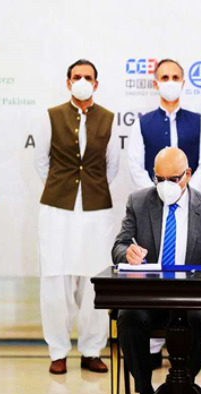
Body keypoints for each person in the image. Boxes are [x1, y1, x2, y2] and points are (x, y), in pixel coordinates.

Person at [111, 147, 201, 394]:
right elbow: (119, 246)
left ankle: (183, 387)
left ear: (188, 174)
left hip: (189, 299)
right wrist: (127, 253)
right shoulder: (139, 202)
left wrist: (196, 278)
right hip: (149, 298)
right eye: (159, 179)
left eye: (173, 179)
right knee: (128, 317)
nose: (166, 186)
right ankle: (145, 393)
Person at [127, 58, 201, 368]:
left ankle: (184, 351)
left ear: (183, 82)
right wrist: (159, 194)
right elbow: (136, 165)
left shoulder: (197, 122)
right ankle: (151, 350)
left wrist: (183, 194)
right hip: (155, 207)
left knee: (185, 272)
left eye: (175, 76)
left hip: (187, 206)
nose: (170, 81)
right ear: (155, 82)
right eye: (164, 77)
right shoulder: (143, 123)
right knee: (154, 272)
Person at [34, 59, 119, 375]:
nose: (82, 81)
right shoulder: (52, 116)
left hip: (97, 211)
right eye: (77, 76)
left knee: (95, 279)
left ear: (96, 84)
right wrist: (63, 188)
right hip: (57, 210)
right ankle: (57, 351)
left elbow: (112, 166)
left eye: (88, 77)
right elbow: (41, 162)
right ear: (69, 82)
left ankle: (91, 350)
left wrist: (90, 189)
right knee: (54, 280)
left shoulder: (108, 119)